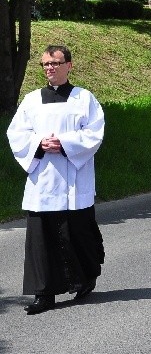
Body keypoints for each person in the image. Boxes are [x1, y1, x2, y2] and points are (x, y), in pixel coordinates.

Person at [6, 45, 105, 315]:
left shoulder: (84, 99)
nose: (50, 68)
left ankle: (84, 278)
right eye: (45, 64)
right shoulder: (31, 100)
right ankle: (44, 293)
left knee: (77, 233)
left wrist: (64, 143)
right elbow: (16, 133)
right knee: (42, 239)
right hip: (44, 179)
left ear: (69, 65)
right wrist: (39, 144)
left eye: (55, 63)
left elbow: (94, 134)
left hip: (74, 177)